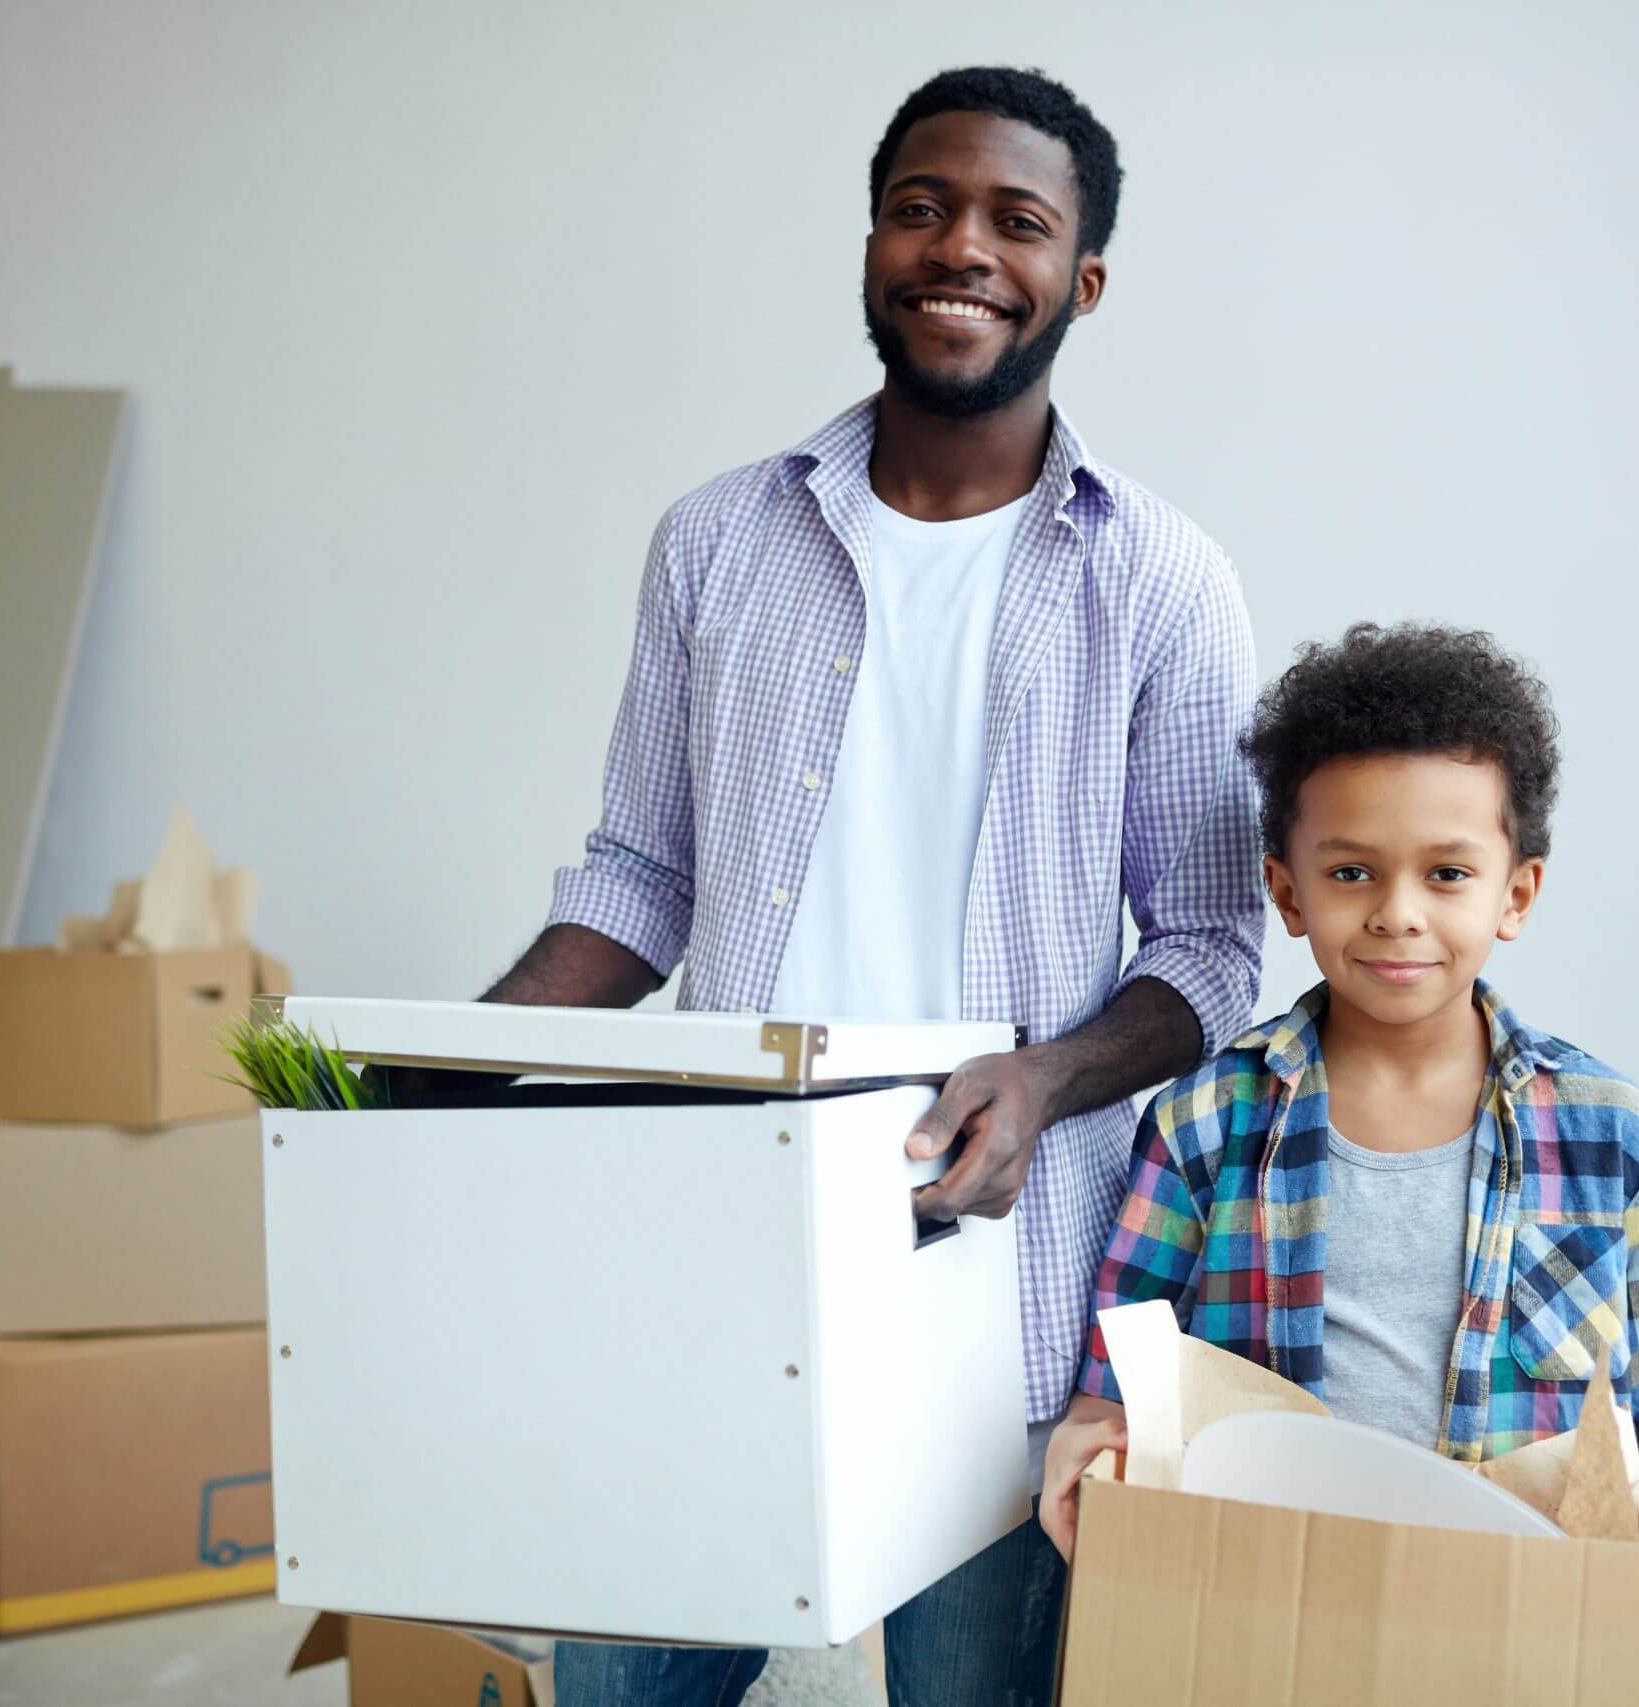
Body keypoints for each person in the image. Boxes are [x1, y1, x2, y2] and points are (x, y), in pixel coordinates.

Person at [481, 66, 1262, 1707]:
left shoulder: (1164, 579)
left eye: (1013, 220)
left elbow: (1205, 952)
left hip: (1003, 1280)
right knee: (626, 1680)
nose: (958, 246)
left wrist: (1044, 1082)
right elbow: (640, 875)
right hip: (722, 1236)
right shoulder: (717, 541)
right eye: (921, 207)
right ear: (870, 245)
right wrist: (441, 1061)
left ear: (1081, 280)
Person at [1042, 622, 1639, 1643]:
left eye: (1447, 875)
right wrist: (1090, 1455)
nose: (1397, 913)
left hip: (1521, 1623)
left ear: (1517, 894)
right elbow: (1118, 1397)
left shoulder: (1613, 1136)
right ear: (1285, 891)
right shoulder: (1203, 1123)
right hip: (1266, 1615)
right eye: (1350, 874)